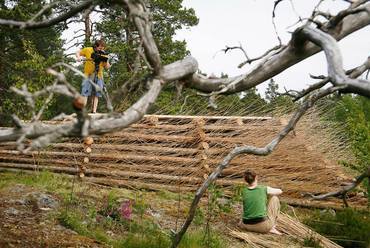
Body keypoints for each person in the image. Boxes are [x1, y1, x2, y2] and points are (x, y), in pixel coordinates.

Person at [238, 169, 283, 235]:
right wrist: (267, 193)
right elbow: (280, 191)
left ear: (245, 180)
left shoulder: (243, 191)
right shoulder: (263, 188)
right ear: (256, 177)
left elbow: (245, 207)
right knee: (274, 198)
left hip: (245, 225)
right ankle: (272, 227)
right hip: (263, 227)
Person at [76, 39, 110, 113]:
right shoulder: (88, 49)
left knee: (97, 94)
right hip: (88, 74)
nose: (101, 50)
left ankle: (94, 111)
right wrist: (78, 57)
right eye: (100, 48)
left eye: (103, 48)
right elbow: (78, 52)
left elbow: (107, 67)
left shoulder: (103, 54)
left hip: (99, 75)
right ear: (96, 46)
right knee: (85, 92)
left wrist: (107, 60)